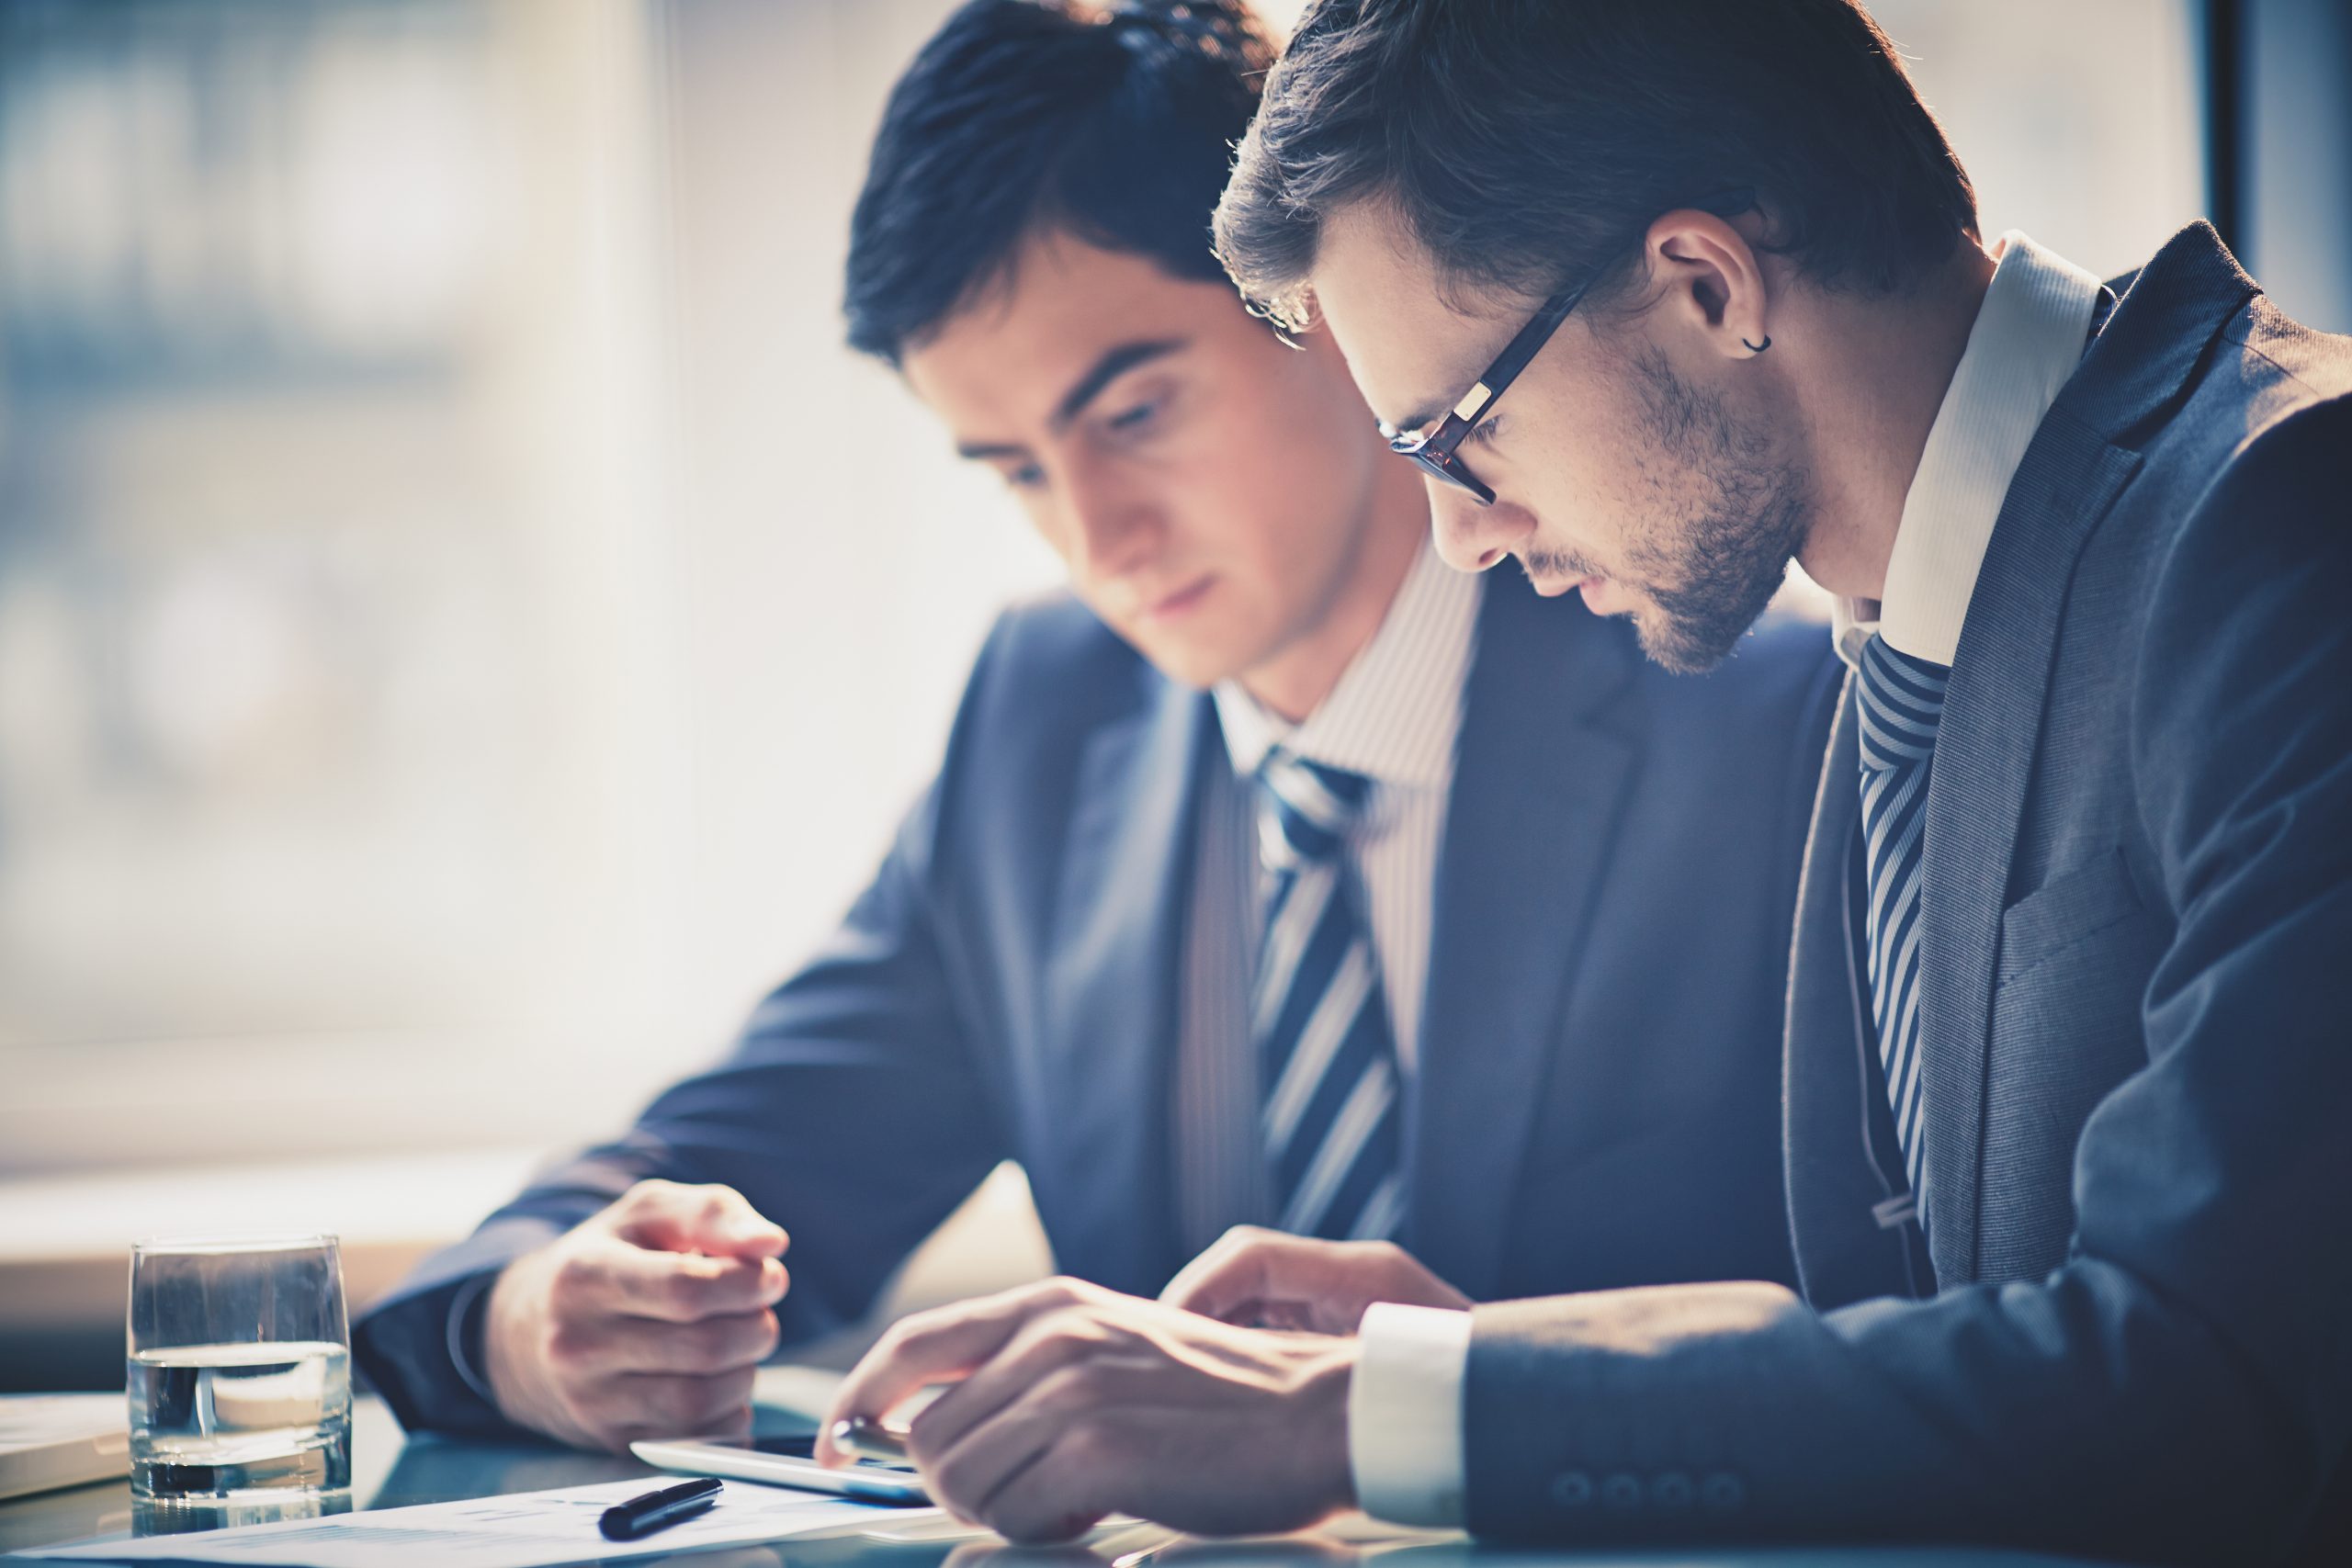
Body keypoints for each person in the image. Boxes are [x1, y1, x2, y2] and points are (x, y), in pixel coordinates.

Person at [817, 1, 2352, 1561]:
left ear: (1705, 285)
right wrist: (1465, 1369)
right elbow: (1954, 1358)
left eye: (1455, 435)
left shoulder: (2291, 524)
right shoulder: (1947, 614)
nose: (1460, 536)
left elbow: (2209, 1380)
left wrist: (1351, 1425)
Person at [352, 0, 1840, 1456]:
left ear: (1325, 304)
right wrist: (535, 1316)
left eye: (1132, 414)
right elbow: (723, 1160)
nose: (1097, 536)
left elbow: (1930, 1347)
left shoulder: (1750, 691)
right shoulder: (1044, 724)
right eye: (1017, 470)